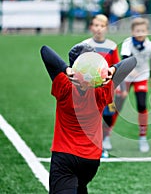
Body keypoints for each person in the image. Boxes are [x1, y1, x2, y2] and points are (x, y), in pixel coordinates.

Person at [41, 43, 136, 194]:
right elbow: (132, 61)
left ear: (74, 65)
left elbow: (45, 51)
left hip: (65, 157)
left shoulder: (64, 86)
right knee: (79, 188)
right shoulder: (103, 91)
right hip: (91, 161)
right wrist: (113, 70)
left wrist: (66, 70)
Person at [76, 14, 122, 154]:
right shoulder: (85, 45)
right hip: (90, 88)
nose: (99, 29)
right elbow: (78, 65)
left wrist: (119, 85)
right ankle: (92, 144)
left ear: (106, 28)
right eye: (96, 25)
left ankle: (105, 138)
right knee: (93, 116)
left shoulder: (112, 46)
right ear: (91, 27)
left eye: (102, 26)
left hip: (108, 88)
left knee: (109, 114)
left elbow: (116, 65)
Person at [113, 17, 151, 153]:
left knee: (142, 105)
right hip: (126, 77)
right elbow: (125, 61)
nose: (140, 33)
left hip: (142, 77)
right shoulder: (127, 44)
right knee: (116, 106)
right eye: (137, 30)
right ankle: (106, 134)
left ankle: (142, 137)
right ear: (132, 32)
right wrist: (130, 72)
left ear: (147, 31)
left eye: (143, 30)